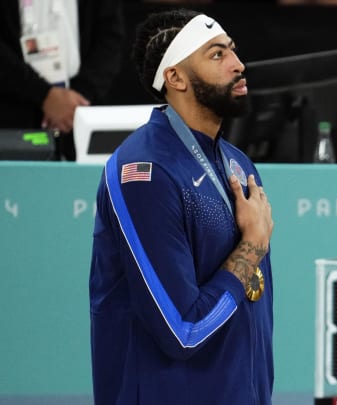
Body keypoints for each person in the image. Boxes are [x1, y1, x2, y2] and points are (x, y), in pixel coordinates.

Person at [89, 9, 274, 404]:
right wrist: (253, 245)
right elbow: (182, 332)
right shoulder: (144, 173)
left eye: (234, 51)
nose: (239, 65)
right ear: (174, 77)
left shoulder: (238, 164)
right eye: (216, 55)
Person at [0, 0, 125, 160]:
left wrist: (78, 97)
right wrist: (43, 94)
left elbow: (110, 36)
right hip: (12, 115)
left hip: (81, 111)